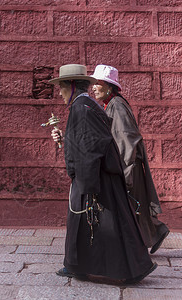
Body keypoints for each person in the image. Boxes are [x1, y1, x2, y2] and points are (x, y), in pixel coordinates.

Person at [49, 64, 157, 283]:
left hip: (93, 177)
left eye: (61, 87)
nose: (59, 93)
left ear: (70, 85)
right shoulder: (86, 105)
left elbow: (91, 146)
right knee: (85, 224)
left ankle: (129, 269)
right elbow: (82, 141)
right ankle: (76, 266)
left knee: (104, 224)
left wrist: (87, 186)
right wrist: (65, 139)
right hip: (94, 175)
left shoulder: (82, 108)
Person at [91, 64, 169, 254]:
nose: (93, 87)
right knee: (133, 209)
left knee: (129, 208)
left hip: (127, 168)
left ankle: (135, 246)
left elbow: (126, 141)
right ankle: (153, 233)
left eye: (98, 83)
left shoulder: (116, 107)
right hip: (126, 167)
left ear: (109, 87)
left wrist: (124, 175)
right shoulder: (112, 105)